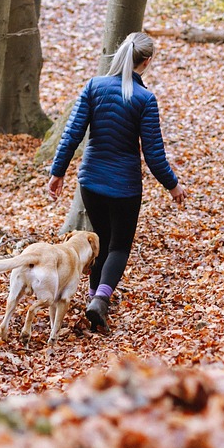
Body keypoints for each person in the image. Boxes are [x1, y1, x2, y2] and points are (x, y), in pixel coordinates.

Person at [47, 32, 188, 333]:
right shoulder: (145, 99)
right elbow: (153, 154)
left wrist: (57, 172)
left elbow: (72, 134)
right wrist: (173, 185)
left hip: (91, 182)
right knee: (119, 246)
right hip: (124, 186)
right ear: (147, 61)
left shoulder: (94, 86)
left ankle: (92, 301)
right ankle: (100, 300)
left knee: (102, 240)